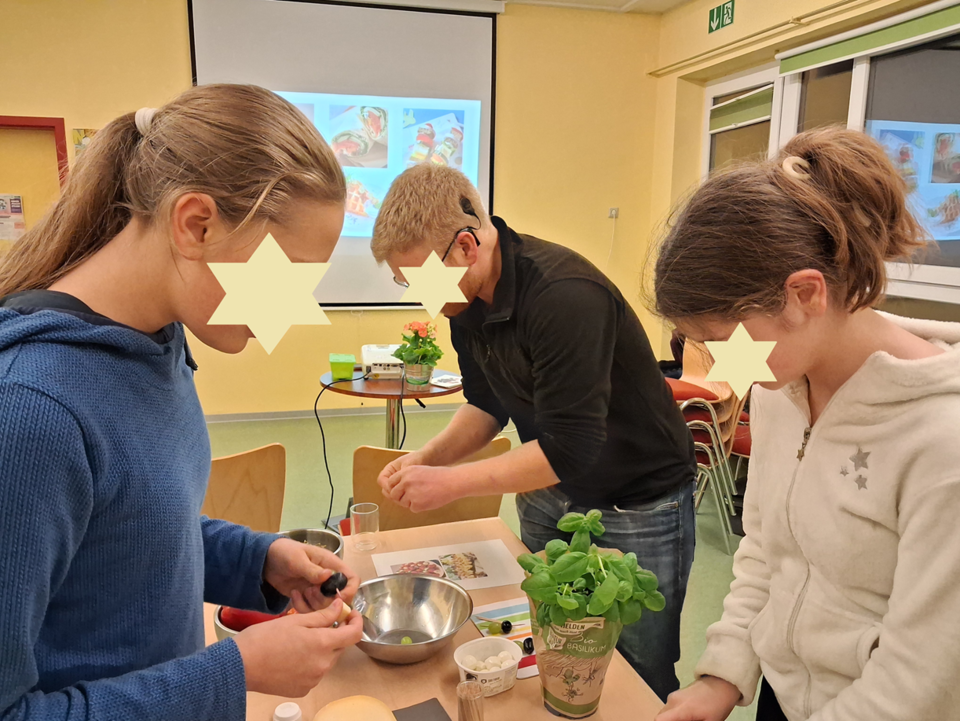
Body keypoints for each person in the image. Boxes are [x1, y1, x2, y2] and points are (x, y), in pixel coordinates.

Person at [0, 84, 363, 721]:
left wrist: (258, 560)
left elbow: (126, 532)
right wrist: (234, 671)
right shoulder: (31, 411)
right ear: (196, 224)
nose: (284, 320)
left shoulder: (158, 344)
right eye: (286, 278)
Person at [653, 127, 960, 721]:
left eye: (723, 340)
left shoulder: (941, 439)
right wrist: (721, 677)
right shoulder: (781, 391)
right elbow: (766, 552)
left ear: (804, 295)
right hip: (786, 693)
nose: (724, 367)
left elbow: (924, 676)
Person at [370, 163, 698, 701]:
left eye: (421, 280)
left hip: (638, 501)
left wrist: (450, 485)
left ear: (466, 246)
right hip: (549, 487)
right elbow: (486, 405)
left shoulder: (565, 295)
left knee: (637, 669)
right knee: (553, 642)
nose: (422, 297)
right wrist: (428, 458)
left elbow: (571, 446)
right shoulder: (463, 300)